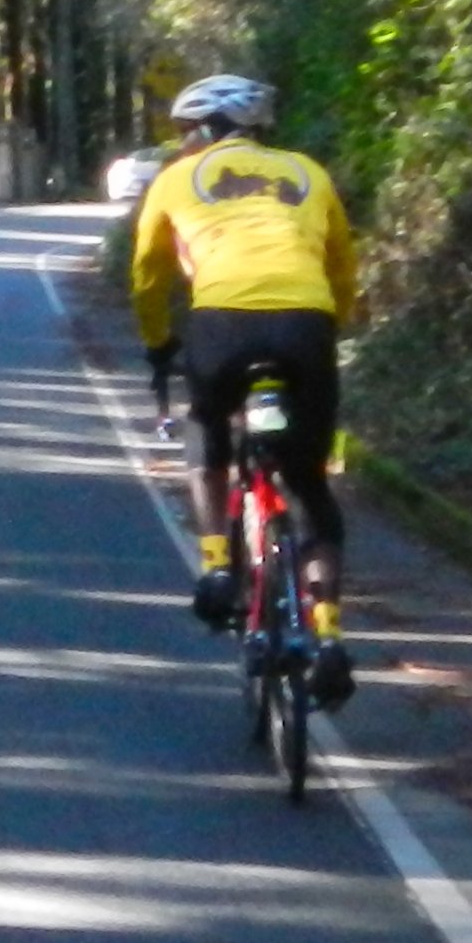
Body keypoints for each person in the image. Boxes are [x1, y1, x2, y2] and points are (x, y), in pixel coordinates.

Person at [128, 73, 361, 707]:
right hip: (306, 324)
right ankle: (328, 636)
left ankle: (216, 567)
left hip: (222, 322)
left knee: (207, 429)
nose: (182, 143)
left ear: (206, 130)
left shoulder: (178, 178)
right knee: (308, 483)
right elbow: (342, 266)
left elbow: (148, 272)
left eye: (185, 132)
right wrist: (328, 327)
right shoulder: (309, 173)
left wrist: (158, 342)